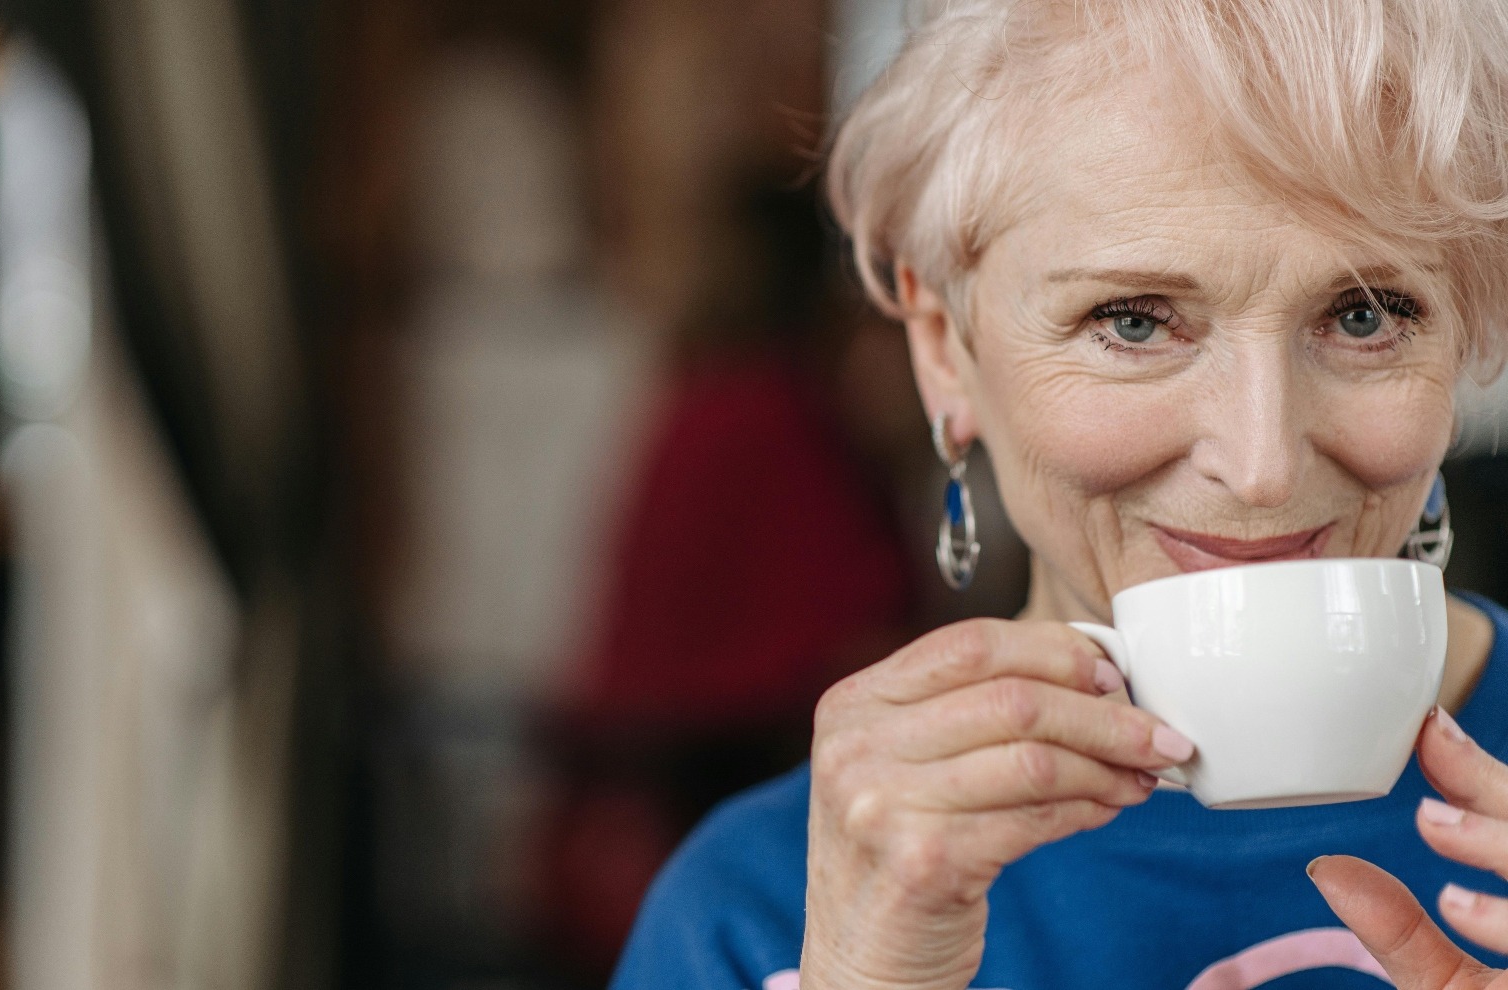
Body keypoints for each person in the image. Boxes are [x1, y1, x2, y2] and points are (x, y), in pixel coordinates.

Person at [609, 1, 1508, 988]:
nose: (1262, 466)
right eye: (1131, 323)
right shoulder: (759, 911)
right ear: (945, 350)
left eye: (1365, 313)